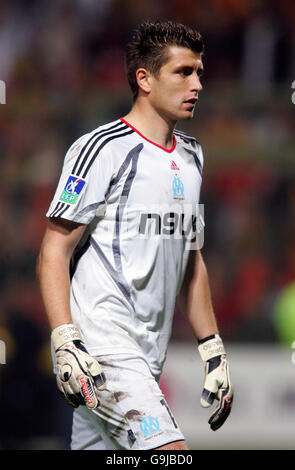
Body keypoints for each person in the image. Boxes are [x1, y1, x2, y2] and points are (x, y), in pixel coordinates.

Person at [37, 20, 233, 451]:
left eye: (199, 72)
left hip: (148, 357)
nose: (197, 83)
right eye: (183, 72)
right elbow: (54, 248)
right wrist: (65, 340)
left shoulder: (193, 156)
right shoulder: (101, 149)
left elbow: (191, 259)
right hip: (102, 349)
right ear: (144, 79)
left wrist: (212, 349)